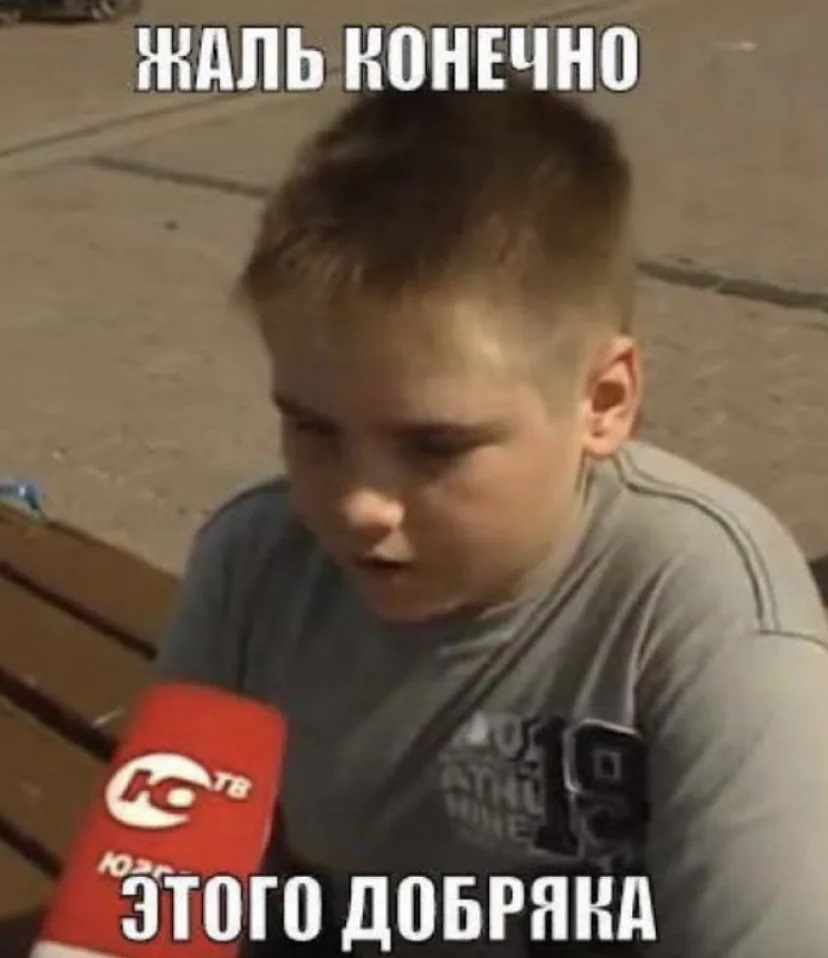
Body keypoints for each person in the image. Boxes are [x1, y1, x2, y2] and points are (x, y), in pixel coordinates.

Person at [153, 71, 828, 956]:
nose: (358, 504)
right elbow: (165, 891)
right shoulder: (255, 561)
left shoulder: (707, 616)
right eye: (313, 429)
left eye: (435, 446)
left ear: (604, 400)